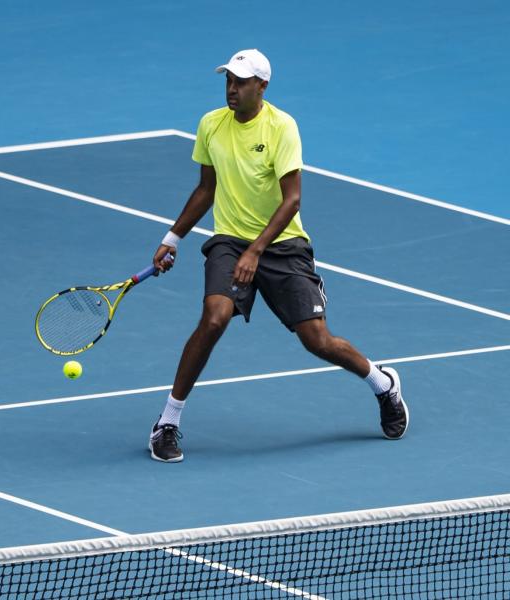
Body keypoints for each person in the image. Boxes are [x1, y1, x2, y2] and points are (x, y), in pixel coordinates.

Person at [147, 49, 409, 463]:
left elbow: (293, 201)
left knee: (316, 340)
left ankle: (383, 384)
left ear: (261, 86)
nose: (232, 89)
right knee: (214, 318)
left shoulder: (282, 127)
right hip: (229, 240)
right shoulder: (211, 125)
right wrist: (172, 238)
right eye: (228, 80)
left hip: (282, 244)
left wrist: (256, 251)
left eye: (241, 82)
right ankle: (167, 422)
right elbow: (205, 189)